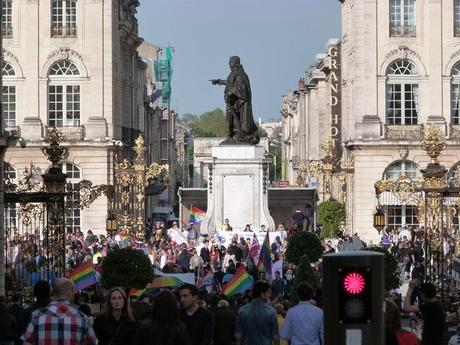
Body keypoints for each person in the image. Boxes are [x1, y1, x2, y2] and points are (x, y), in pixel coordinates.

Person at [21, 278, 98, 345]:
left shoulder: (37, 315)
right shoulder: (82, 318)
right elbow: (93, 342)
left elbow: (27, 342)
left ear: (53, 293)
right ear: (69, 293)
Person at [211, 56, 260, 144]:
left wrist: (230, 92)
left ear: (235, 62)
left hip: (239, 103)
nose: (228, 64)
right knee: (231, 120)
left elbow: (241, 88)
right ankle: (231, 136)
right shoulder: (235, 73)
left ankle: (236, 136)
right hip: (233, 102)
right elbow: (231, 83)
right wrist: (220, 81)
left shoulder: (239, 74)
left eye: (230, 62)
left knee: (232, 120)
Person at [235, 280, 279, 345]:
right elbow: (275, 336)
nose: (269, 295)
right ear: (262, 294)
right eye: (268, 292)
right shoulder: (271, 311)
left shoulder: (242, 310)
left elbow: (238, 335)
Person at [403, 280, 445, 345]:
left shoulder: (430, 306)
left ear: (423, 294)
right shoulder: (437, 303)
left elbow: (406, 308)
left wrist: (410, 288)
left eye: (420, 294)